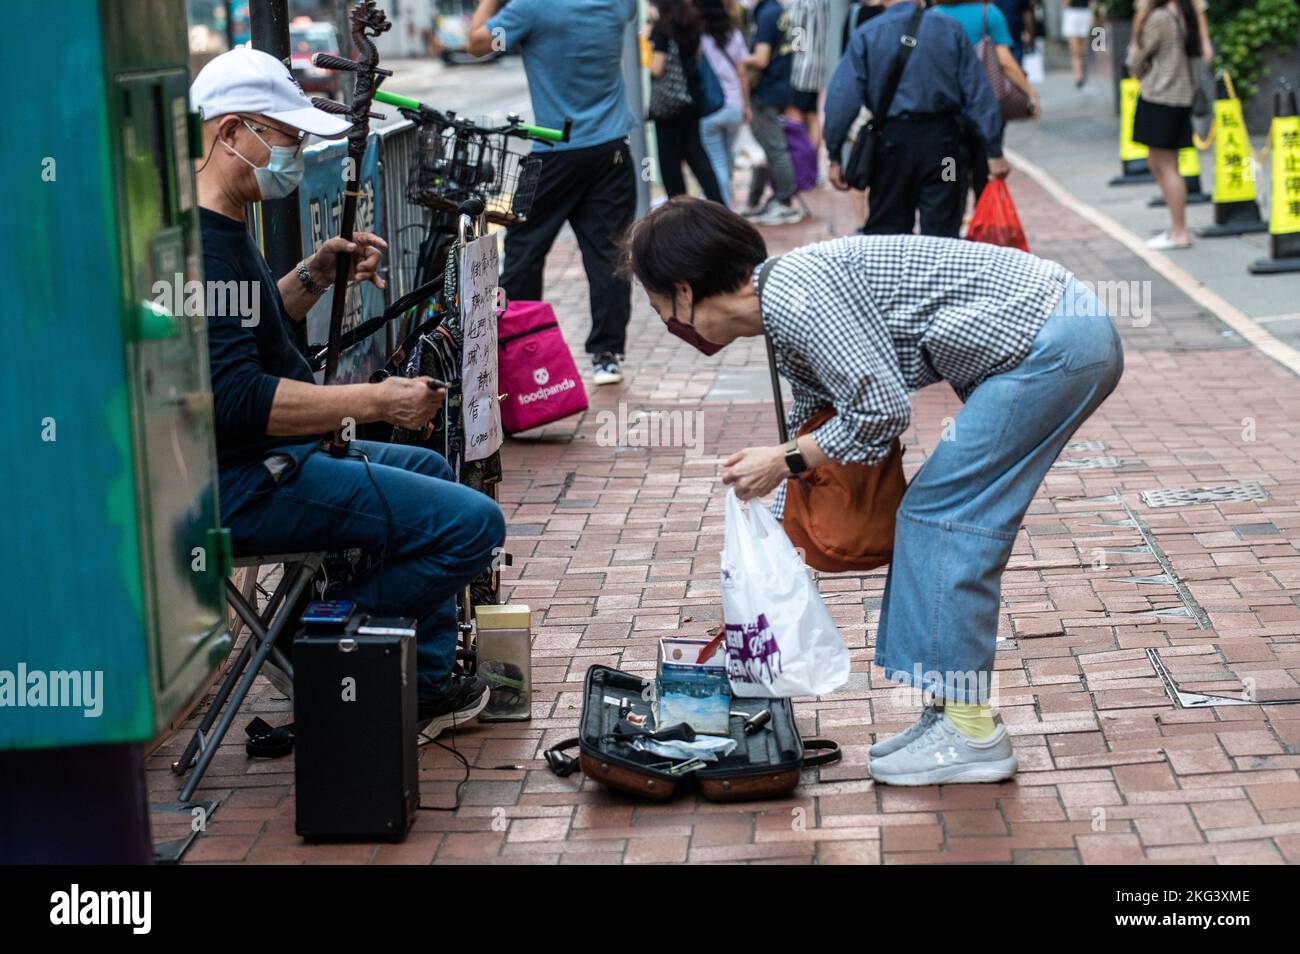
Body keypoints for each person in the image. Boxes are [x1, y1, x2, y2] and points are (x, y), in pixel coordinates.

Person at [624, 197, 1123, 785]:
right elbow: (821, 424)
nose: (672, 326)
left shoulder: (796, 297)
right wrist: (779, 527)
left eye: (662, 310)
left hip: (1057, 344)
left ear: (685, 290)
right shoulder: (784, 307)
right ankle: (951, 715)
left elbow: (878, 410)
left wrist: (781, 461)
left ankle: (970, 732)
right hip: (1058, 335)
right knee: (935, 516)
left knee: (943, 519)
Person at [190, 48, 505, 739]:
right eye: (285, 137)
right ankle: (318, 649)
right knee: (474, 527)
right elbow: (237, 394)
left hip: (266, 464)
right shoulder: (207, 247)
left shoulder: (218, 229)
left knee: (427, 470)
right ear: (231, 133)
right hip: (246, 482)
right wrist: (376, 402)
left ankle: (417, 686)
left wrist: (311, 275)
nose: (293, 154)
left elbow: (235, 333)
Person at [467, 0, 639, 386]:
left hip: (551, 153)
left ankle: (521, 347)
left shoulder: (532, 8)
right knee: (609, 251)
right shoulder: (616, 5)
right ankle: (606, 355)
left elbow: (477, 44)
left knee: (525, 249)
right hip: (612, 148)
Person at [824, 0, 1008, 237]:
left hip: (891, 147)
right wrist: (993, 151)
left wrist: (834, 154)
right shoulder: (950, 30)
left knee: (887, 233)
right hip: (944, 150)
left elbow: (842, 99)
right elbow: (979, 93)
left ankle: (891, 274)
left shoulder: (867, 34)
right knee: (944, 228)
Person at [931, 0, 1037, 201]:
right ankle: (982, 220)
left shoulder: (933, 17)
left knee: (951, 173)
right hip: (985, 107)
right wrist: (1029, 92)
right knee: (984, 170)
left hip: (948, 112)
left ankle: (955, 221)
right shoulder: (988, 14)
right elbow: (1004, 60)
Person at [1128, 0, 1201, 249]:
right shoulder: (1182, 10)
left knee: (1165, 164)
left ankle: (1179, 232)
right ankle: (1177, 229)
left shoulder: (1158, 16)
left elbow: (1136, 56)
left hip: (1160, 94)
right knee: (1162, 162)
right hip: (1179, 94)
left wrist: (1140, 17)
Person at [649, 0, 725, 202]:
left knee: (670, 166)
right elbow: (697, 59)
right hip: (691, 100)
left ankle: (679, 212)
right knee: (698, 159)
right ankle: (719, 204)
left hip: (668, 107)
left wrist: (645, 48)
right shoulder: (692, 23)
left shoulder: (661, 28)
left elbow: (657, 67)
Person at [741, 0, 805, 225]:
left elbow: (761, 58)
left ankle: (784, 200)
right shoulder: (777, 10)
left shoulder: (767, 14)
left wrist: (735, 59)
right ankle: (758, 200)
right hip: (778, 85)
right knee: (769, 148)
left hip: (765, 90)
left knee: (775, 148)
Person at [697, 0, 751, 208]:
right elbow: (742, 72)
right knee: (728, 159)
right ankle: (727, 205)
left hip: (710, 108)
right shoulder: (734, 35)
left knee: (717, 162)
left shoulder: (699, 37)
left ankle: (724, 209)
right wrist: (746, 106)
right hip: (735, 105)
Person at [787, 0, 830, 148]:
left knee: (796, 114)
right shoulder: (823, 2)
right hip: (818, 65)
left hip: (802, 67)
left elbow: (796, 39)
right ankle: (812, 160)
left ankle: (804, 159)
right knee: (812, 114)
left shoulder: (801, 2)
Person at [1061, 0, 1093, 89]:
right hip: (1072, 14)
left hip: (1085, 13)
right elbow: (1064, 3)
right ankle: (1078, 76)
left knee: (1083, 50)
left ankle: (1083, 74)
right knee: (1075, 50)